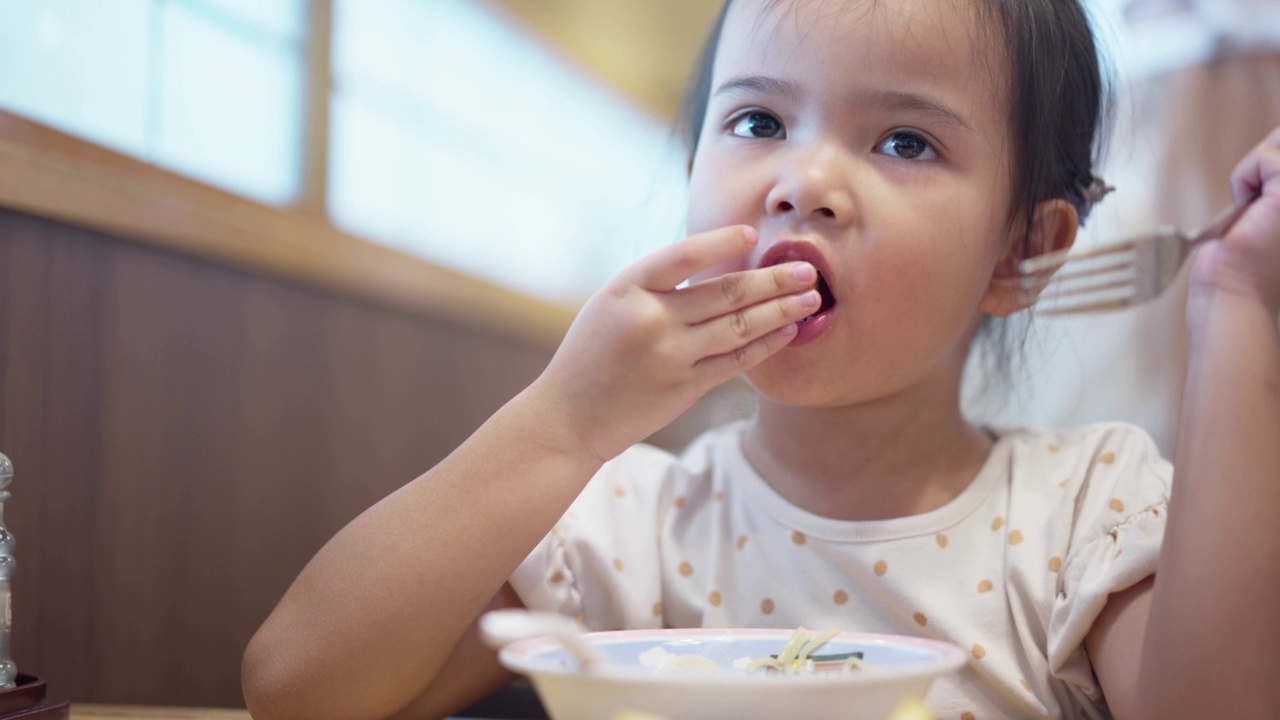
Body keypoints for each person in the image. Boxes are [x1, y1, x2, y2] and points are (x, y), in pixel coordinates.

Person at [241, 1, 1280, 719]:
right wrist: (563, 422)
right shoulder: (632, 529)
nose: (802, 180)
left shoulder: (1084, 511)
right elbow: (297, 685)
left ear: (1022, 252)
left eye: (904, 141)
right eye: (757, 120)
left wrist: (1235, 302)